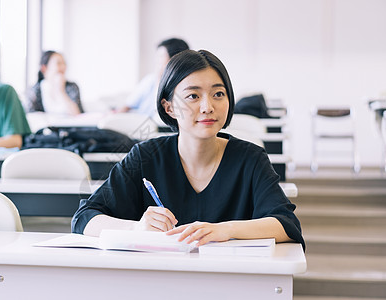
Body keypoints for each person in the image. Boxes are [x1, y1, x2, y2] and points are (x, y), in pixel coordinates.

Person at [72, 50, 305, 249]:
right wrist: (137, 226)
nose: (207, 107)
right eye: (193, 96)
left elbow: (286, 224)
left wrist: (225, 230)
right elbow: (84, 219)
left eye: (218, 94)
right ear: (169, 107)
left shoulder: (251, 159)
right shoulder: (145, 157)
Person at [118, 38, 189, 117]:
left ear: (173, 60)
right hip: (139, 121)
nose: (157, 61)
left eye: (161, 56)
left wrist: (160, 79)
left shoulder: (185, 84)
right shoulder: (151, 80)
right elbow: (127, 106)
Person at [26, 50, 83, 115]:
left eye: (64, 63)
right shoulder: (35, 90)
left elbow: (77, 115)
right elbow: (30, 116)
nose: (63, 67)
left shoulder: (72, 87)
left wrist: (60, 91)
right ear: (44, 68)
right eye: (58, 63)